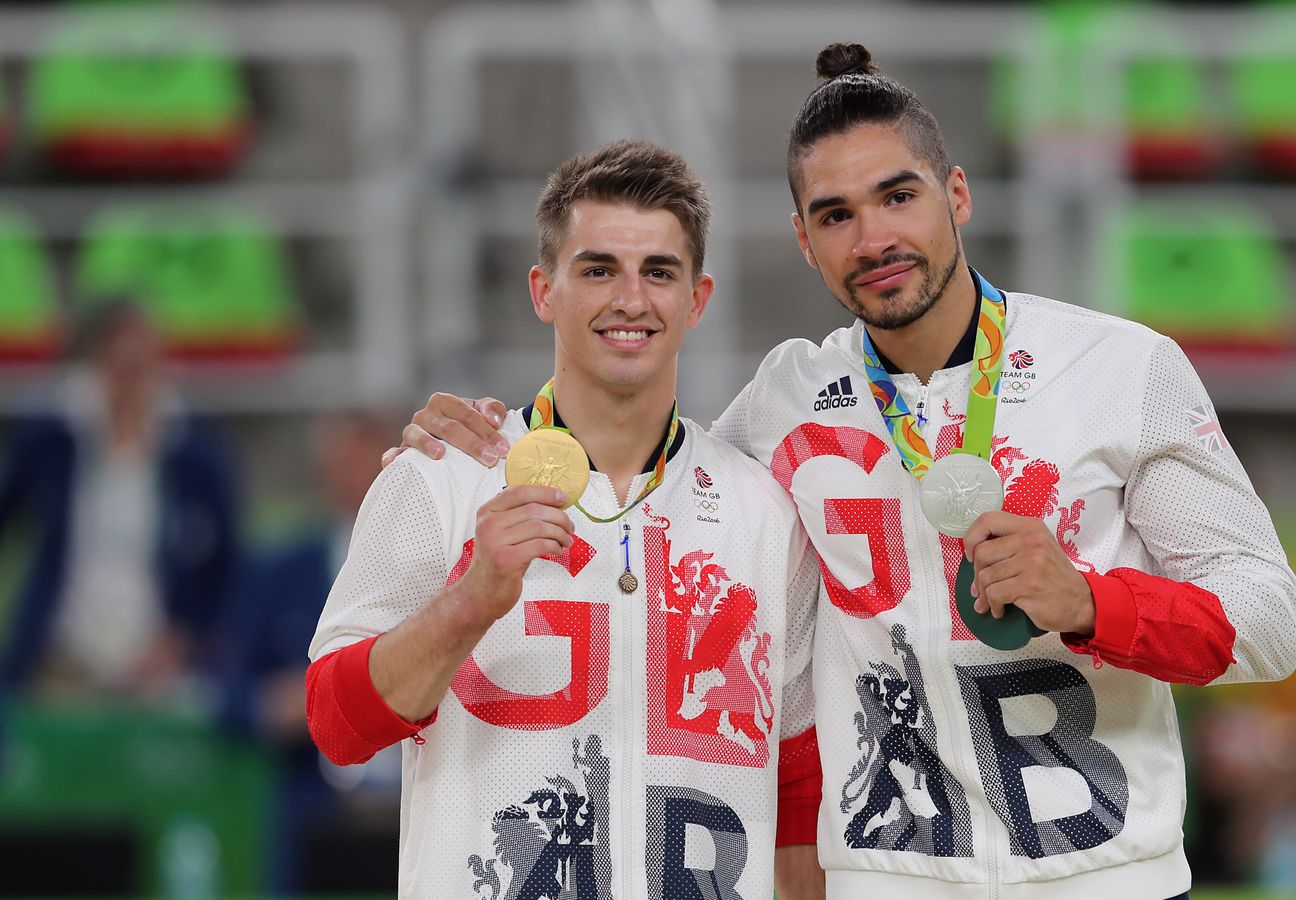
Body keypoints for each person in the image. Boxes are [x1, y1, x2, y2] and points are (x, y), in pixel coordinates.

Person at [398, 44, 1296, 899]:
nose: (873, 237)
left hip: (1111, 877)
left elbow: (1270, 621)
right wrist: (497, 431)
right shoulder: (787, 399)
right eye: (837, 215)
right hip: (886, 884)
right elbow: (643, 468)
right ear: (804, 239)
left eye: (898, 196)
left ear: (956, 194)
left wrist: (1091, 603)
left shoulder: (1121, 369)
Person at [304, 140, 821, 899]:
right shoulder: (442, 476)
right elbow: (336, 726)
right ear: (545, 290)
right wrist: (471, 600)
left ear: (697, 300)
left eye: (659, 272)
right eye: (599, 269)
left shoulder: (765, 512)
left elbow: (800, 782)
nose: (631, 300)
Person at [0, 300, 238, 700]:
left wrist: (184, 636)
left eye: (141, 366)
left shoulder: (196, 452)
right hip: (62, 654)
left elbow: (227, 565)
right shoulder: (51, 438)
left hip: (157, 662)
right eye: (120, 365)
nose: (131, 381)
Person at [217, 413, 402, 894]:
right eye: (343, 461)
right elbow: (227, 693)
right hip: (315, 808)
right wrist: (273, 704)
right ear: (323, 470)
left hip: (418, 797)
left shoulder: (441, 561)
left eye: (370, 460)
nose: (357, 475)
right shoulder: (277, 572)